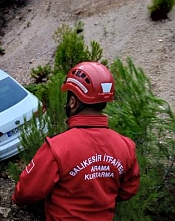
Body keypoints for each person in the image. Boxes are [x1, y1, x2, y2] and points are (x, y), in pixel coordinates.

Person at [12, 61, 140, 220]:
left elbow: (26, 192)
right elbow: (128, 190)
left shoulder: (56, 148)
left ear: (72, 102)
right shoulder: (126, 145)